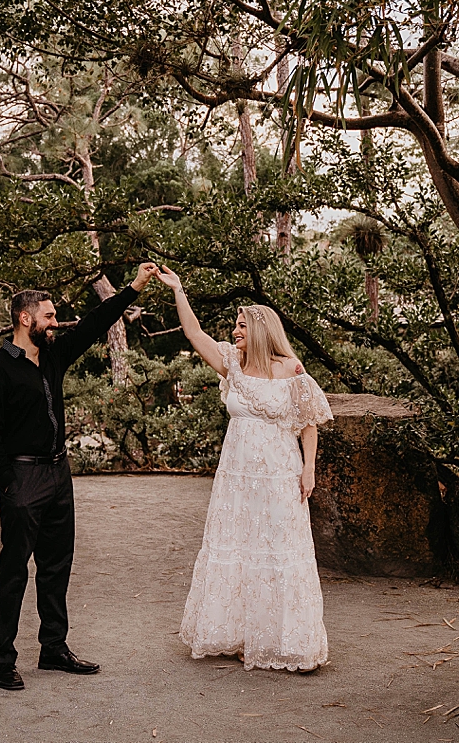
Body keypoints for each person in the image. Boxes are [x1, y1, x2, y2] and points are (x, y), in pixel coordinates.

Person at [0, 262, 159, 691]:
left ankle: (53, 648)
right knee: (14, 571)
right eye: (50, 316)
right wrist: (9, 482)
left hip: (58, 475)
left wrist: (133, 288)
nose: (56, 322)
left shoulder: (53, 356)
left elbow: (94, 325)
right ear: (25, 318)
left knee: (56, 568)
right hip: (22, 479)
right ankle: (1, 660)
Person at [155, 266, 333, 672]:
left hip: (279, 476)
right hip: (236, 481)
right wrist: (179, 290)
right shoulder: (231, 365)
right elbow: (194, 334)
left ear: (259, 328)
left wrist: (309, 470)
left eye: (239, 325)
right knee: (241, 551)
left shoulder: (293, 370)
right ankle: (243, 635)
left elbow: (308, 424)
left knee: (278, 553)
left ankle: (284, 641)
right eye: (233, 326)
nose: (234, 332)